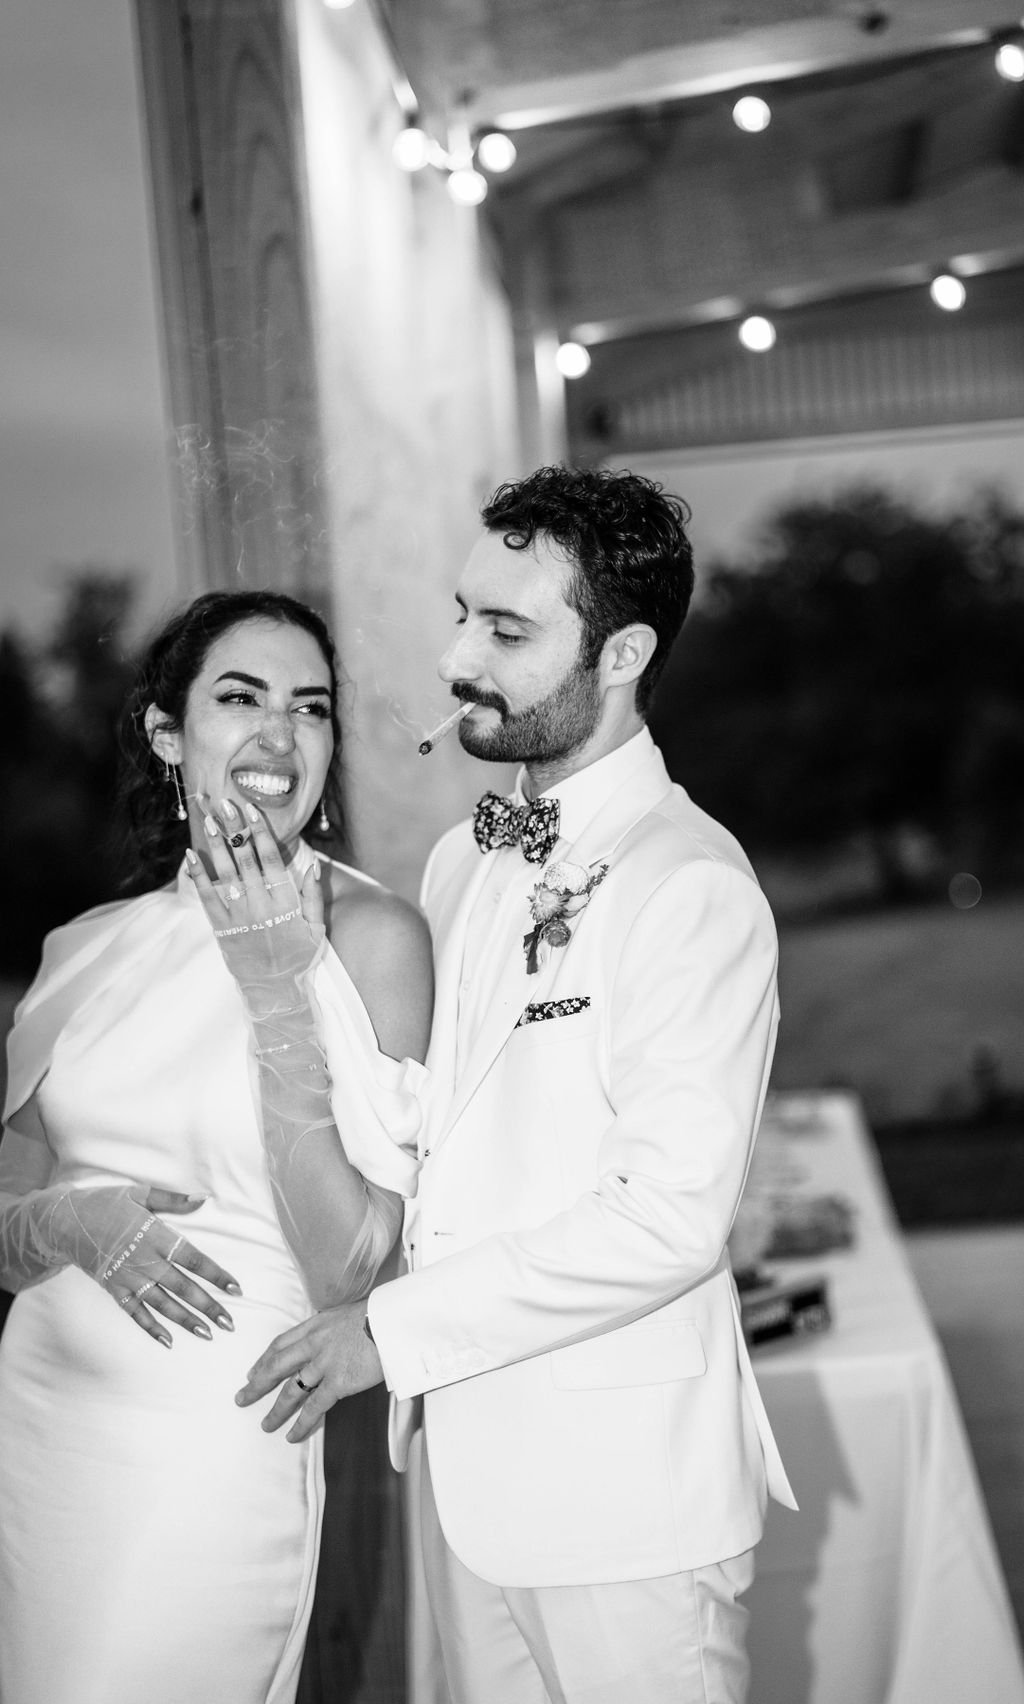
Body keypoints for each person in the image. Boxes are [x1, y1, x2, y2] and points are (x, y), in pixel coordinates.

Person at [238, 468, 797, 1704]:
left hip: (623, 1510)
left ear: (622, 654)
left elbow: (667, 1218)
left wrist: (386, 1333)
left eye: (506, 630)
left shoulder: (689, 883)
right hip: (461, 1473)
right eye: (462, 614)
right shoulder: (458, 861)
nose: (456, 657)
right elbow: (442, 1135)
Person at [0, 589, 432, 1704]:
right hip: (46, 1430)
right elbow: (6, 1222)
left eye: (311, 707)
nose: (279, 737)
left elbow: (354, 1269)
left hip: (213, 1451)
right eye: (239, 698)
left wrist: (279, 993)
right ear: (165, 731)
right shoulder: (88, 949)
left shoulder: (374, 939)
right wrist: (66, 1223)